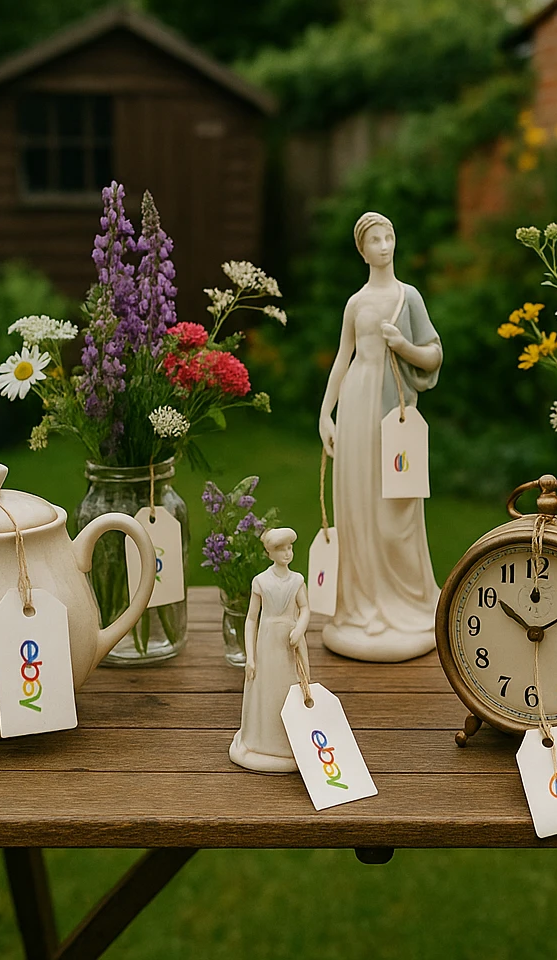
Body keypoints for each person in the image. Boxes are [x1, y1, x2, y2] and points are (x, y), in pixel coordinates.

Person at [316, 211, 443, 662]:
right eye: (375, 238)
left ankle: (408, 601)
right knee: (358, 504)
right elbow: (341, 358)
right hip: (356, 404)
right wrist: (326, 414)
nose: (385, 245)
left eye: (389, 235)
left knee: (396, 510)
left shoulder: (408, 298)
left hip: (393, 412)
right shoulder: (356, 303)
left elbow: (432, 355)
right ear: (362, 249)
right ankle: (363, 604)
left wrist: (402, 345)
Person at [229, 527, 310, 773]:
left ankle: (290, 741)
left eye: (290, 548)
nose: (287, 553)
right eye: (281, 549)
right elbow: (251, 619)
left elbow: (305, 608)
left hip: (289, 643)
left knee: (290, 687)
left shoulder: (297, 580)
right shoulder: (261, 581)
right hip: (267, 643)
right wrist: (250, 656)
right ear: (269, 553)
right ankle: (261, 740)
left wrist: (299, 629)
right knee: (265, 691)